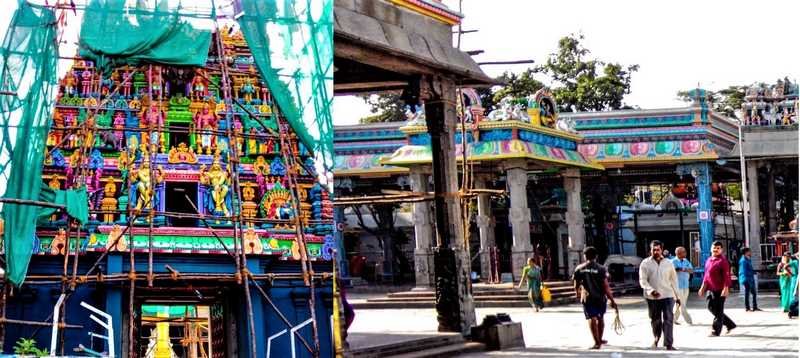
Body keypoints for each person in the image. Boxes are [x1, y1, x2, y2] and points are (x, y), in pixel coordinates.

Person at [572, 246, 618, 350]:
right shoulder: (601, 269)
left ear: (584, 256)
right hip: (600, 298)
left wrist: (577, 293)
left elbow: (576, 284)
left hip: (587, 298)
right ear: (596, 256)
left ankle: (597, 343)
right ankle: (599, 339)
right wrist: (612, 300)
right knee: (600, 318)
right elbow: (606, 286)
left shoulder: (579, 268)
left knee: (591, 318)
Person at [639, 240, 680, 350]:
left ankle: (668, 343)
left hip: (667, 295)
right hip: (652, 297)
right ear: (650, 250)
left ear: (662, 250)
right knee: (655, 319)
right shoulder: (645, 263)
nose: (656, 252)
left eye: (658, 249)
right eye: (654, 250)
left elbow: (674, 280)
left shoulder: (668, 263)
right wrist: (651, 291)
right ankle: (656, 337)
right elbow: (643, 280)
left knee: (668, 319)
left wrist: (677, 297)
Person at [699, 241, 736, 336]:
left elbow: (726, 276)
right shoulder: (709, 260)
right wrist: (702, 287)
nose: (715, 249)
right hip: (710, 288)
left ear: (721, 250)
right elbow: (706, 275)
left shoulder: (723, 261)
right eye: (714, 247)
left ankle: (715, 331)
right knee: (710, 307)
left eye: (718, 248)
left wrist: (726, 288)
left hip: (720, 289)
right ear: (711, 248)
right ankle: (730, 324)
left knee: (719, 310)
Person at [672, 246, 694, 324]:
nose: (685, 253)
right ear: (678, 253)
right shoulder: (673, 262)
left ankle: (673, 319)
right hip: (677, 286)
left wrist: (683, 269)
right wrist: (683, 269)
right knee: (682, 304)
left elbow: (691, 270)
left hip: (686, 285)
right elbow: (673, 271)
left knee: (679, 303)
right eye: (684, 252)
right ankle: (688, 320)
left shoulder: (686, 261)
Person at [739, 247, 760, 312]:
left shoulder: (748, 259)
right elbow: (743, 271)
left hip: (750, 278)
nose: (750, 252)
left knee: (754, 293)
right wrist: (746, 279)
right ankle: (747, 308)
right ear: (746, 252)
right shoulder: (743, 260)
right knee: (747, 293)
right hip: (746, 278)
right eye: (749, 251)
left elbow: (750, 268)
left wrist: (754, 272)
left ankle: (755, 307)